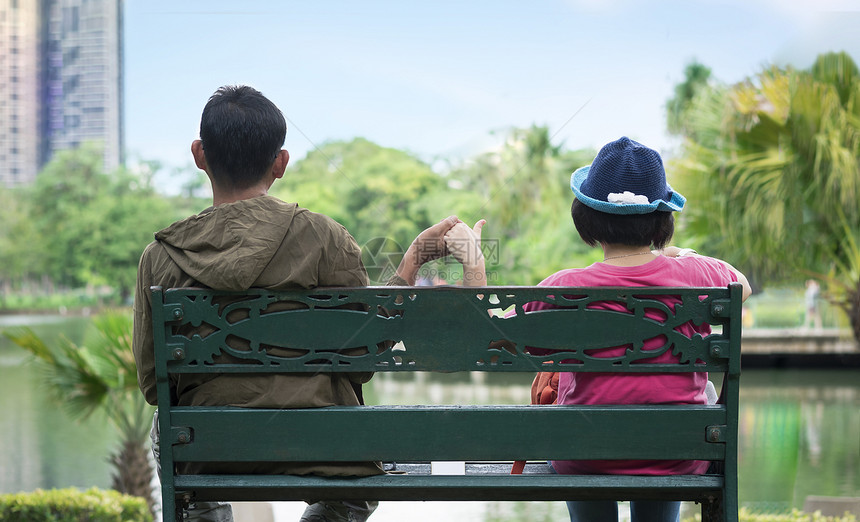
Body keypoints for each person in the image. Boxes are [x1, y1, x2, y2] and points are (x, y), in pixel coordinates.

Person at [132, 85, 461, 522]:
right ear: (280, 162)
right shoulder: (327, 238)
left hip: (208, 449)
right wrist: (412, 260)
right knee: (351, 493)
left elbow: (157, 385)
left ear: (199, 155)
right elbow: (360, 361)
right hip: (327, 446)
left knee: (167, 433)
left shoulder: (159, 257)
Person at [448, 137, 751, 522]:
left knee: (579, 427)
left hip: (583, 453)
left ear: (587, 218)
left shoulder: (562, 287)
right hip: (676, 452)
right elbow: (742, 285)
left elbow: (482, 336)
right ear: (663, 220)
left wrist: (474, 264)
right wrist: (680, 257)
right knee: (690, 405)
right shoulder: (697, 276)